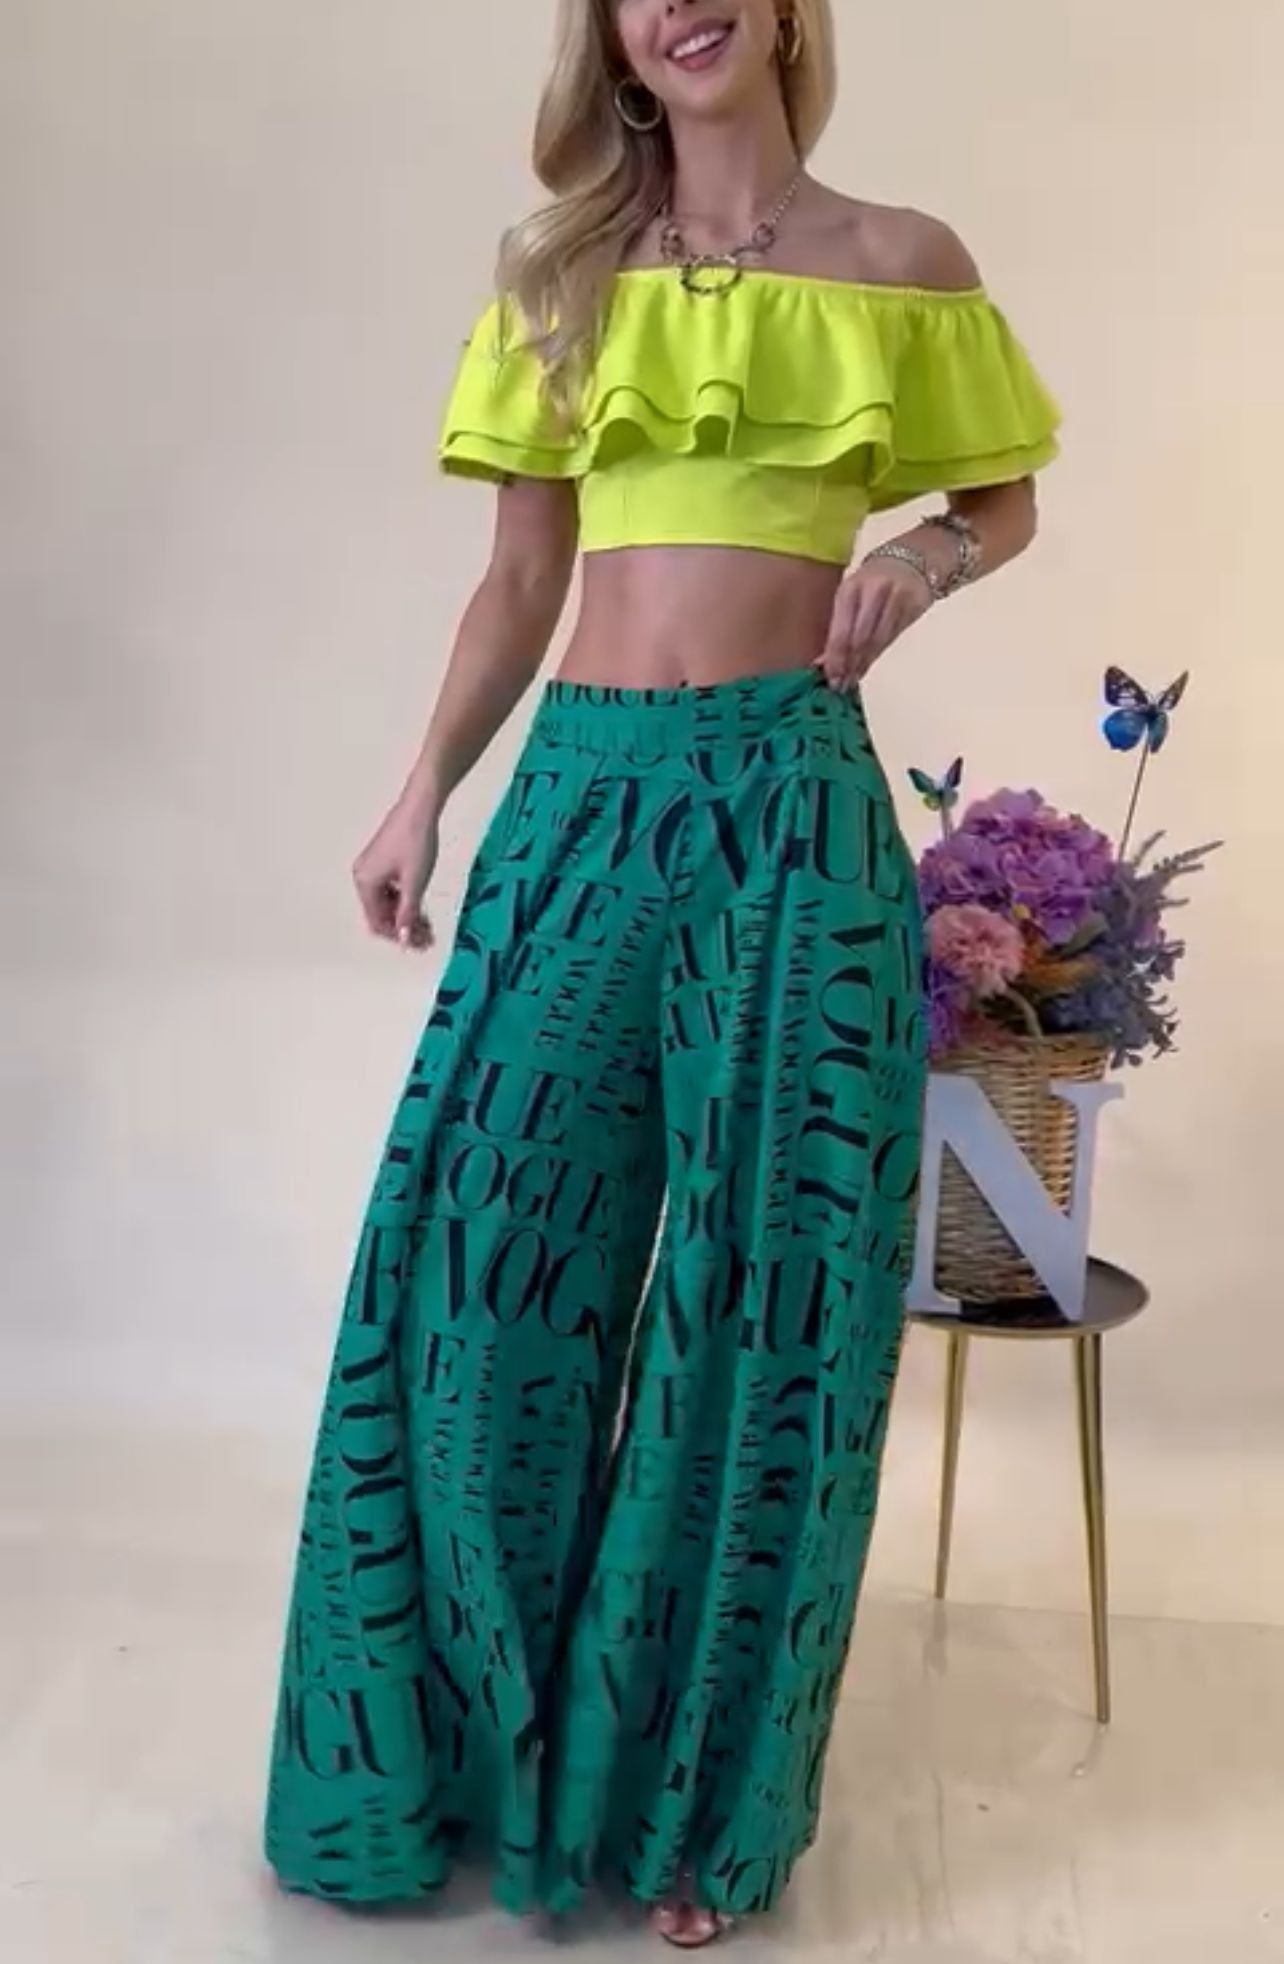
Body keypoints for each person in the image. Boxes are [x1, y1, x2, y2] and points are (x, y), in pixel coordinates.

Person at [264, 0, 1059, 1946]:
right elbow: (520, 580)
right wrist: (422, 791)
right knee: (477, 1289)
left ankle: (693, 1806)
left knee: (768, 1312)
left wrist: (925, 564)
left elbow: (1002, 499)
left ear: (785, 9)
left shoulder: (904, 261)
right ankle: (449, 1765)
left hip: (792, 806)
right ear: (615, 41)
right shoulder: (565, 276)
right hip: (581, 799)